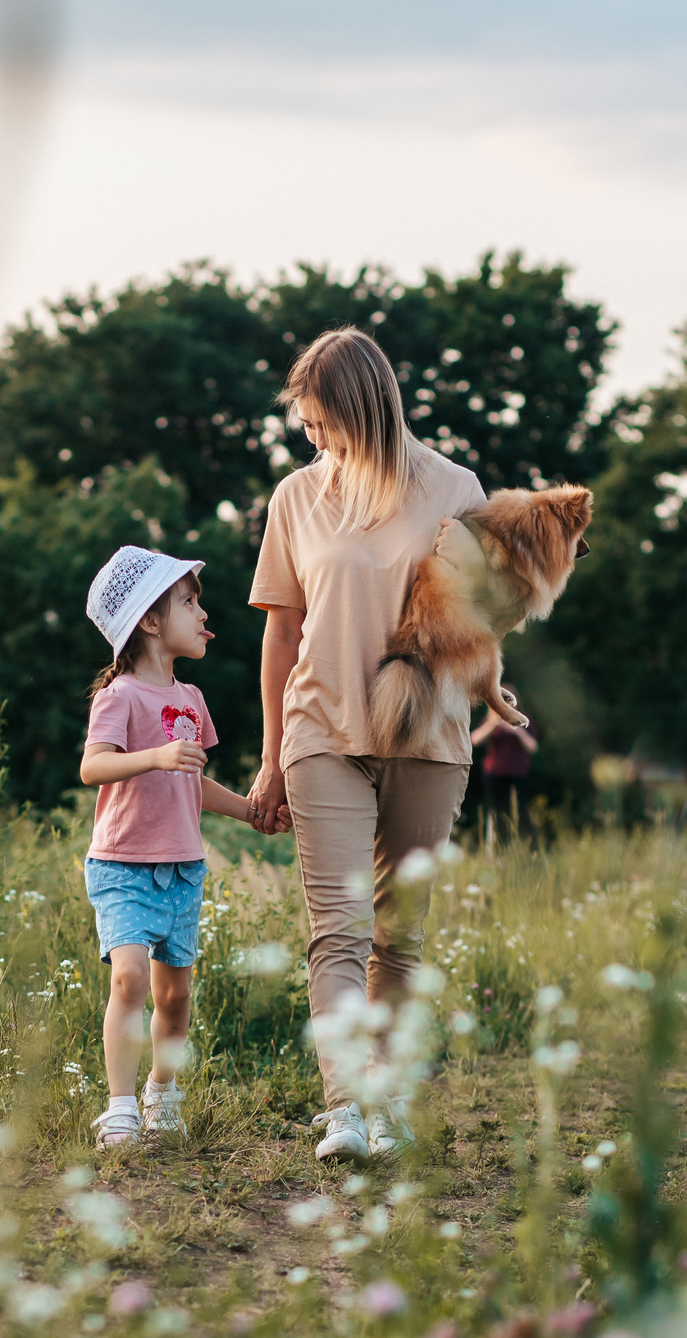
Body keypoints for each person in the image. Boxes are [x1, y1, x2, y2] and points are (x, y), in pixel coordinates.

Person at [243, 328, 490, 1160]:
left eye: (322, 423)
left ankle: (387, 1103)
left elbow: (485, 615)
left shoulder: (457, 489)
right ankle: (346, 1107)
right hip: (323, 733)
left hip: (428, 735)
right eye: (305, 426)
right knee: (338, 930)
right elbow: (282, 634)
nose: (311, 440)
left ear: (362, 408)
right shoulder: (295, 499)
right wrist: (274, 753)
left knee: (400, 937)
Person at [79, 545, 259, 1147]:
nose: (202, 615)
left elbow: (194, 782)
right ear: (150, 622)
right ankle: (122, 1106)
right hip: (124, 865)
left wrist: (251, 812)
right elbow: (93, 767)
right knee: (129, 979)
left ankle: (162, 1092)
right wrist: (154, 755)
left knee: (175, 994)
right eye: (189, 602)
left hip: (183, 868)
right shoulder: (121, 696)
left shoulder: (193, 700)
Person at [471, 706, 537, 839]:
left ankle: (524, 847)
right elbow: (474, 740)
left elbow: (533, 747)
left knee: (521, 812)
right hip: (495, 775)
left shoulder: (523, 721)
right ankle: (497, 851)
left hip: (518, 774)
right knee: (496, 813)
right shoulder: (490, 720)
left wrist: (517, 731)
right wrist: (492, 725)